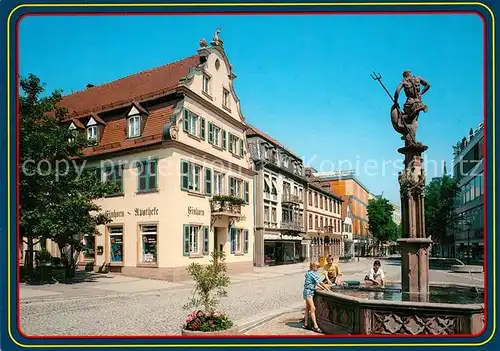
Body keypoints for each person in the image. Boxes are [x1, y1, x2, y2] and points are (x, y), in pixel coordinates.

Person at [302, 261, 329, 333]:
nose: (318, 268)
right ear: (313, 267)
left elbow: (315, 283)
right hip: (308, 292)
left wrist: (321, 287)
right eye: (317, 267)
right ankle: (315, 326)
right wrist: (327, 289)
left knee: (307, 308)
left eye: (318, 267)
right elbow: (320, 282)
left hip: (308, 291)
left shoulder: (309, 272)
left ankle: (306, 324)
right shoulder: (312, 274)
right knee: (313, 308)